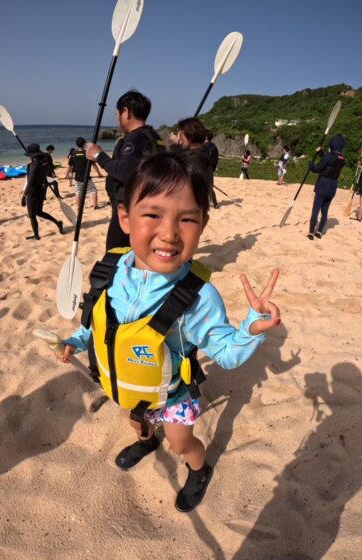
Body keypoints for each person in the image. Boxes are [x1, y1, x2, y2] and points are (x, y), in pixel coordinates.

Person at [54, 150, 281, 512]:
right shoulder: (109, 270)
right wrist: (73, 341)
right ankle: (146, 441)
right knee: (136, 422)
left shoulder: (197, 297)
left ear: (203, 224)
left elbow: (225, 352)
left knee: (181, 443)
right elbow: (99, 324)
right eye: (153, 214)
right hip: (127, 385)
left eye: (187, 219)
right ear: (125, 218)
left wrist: (250, 328)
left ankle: (199, 468)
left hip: (173, 396)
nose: (170, 233)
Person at [86, 90, 165, 250]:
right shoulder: (154, 137)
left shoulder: (136, 138)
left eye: (117, 115)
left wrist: (98, 155)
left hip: (130, 206)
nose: (117, 120)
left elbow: (125, 172)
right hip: (147, 203)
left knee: (114, 252)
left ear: (126, 112)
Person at [307, 135, 346, 239]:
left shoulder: (329, 156)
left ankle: (311, 232)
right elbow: (330, 160)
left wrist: (311, 165)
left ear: (332, 144)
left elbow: (318, 168)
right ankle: (319, 232)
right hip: (333, 186)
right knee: (325, 210)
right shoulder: (342, 158)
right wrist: (321, 152)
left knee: (316, 209)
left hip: (323, 184)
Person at [21, 143, 63, 240]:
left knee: (32, 215)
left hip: (33, 192)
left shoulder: (33, 165)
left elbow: (30, 182)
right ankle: (58, 222)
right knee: (39, 212)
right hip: (41, 190)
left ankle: (36, 236)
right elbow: (45, 176)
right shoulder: (44, 163)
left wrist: (24, 196)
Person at [67, 137, 103, 210]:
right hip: (86, 177)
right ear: (84, 144)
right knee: (93, 190)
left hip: (77, 177)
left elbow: (69, 166)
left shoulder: (73, 154)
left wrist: (66, 175)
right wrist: (99, 174)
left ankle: (78, 207)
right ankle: (95, 205)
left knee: (78, 192)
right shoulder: (87, 153)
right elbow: (94, 165)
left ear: (76, 144)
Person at [203, 129, 220, 209]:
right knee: (209, 187)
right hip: (209, 169)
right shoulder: (214, 146)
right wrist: (212, 169)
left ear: (206, 137)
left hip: (205, 169)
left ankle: (212, 203)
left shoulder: (204, 147)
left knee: (206, 187)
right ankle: (214, 204)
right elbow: (216, 159)